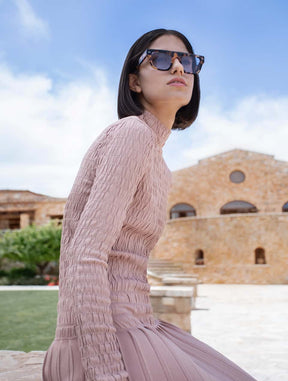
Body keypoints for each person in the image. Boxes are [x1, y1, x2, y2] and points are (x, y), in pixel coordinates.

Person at [42, 28, 258, 381]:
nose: (177, 68)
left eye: (186, 61)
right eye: (160, 58)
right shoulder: (132, 134)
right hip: (106, 342)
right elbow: (87, 255)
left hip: (139, 325)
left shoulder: (158, 161)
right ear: (134, 82)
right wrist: (107, 371)